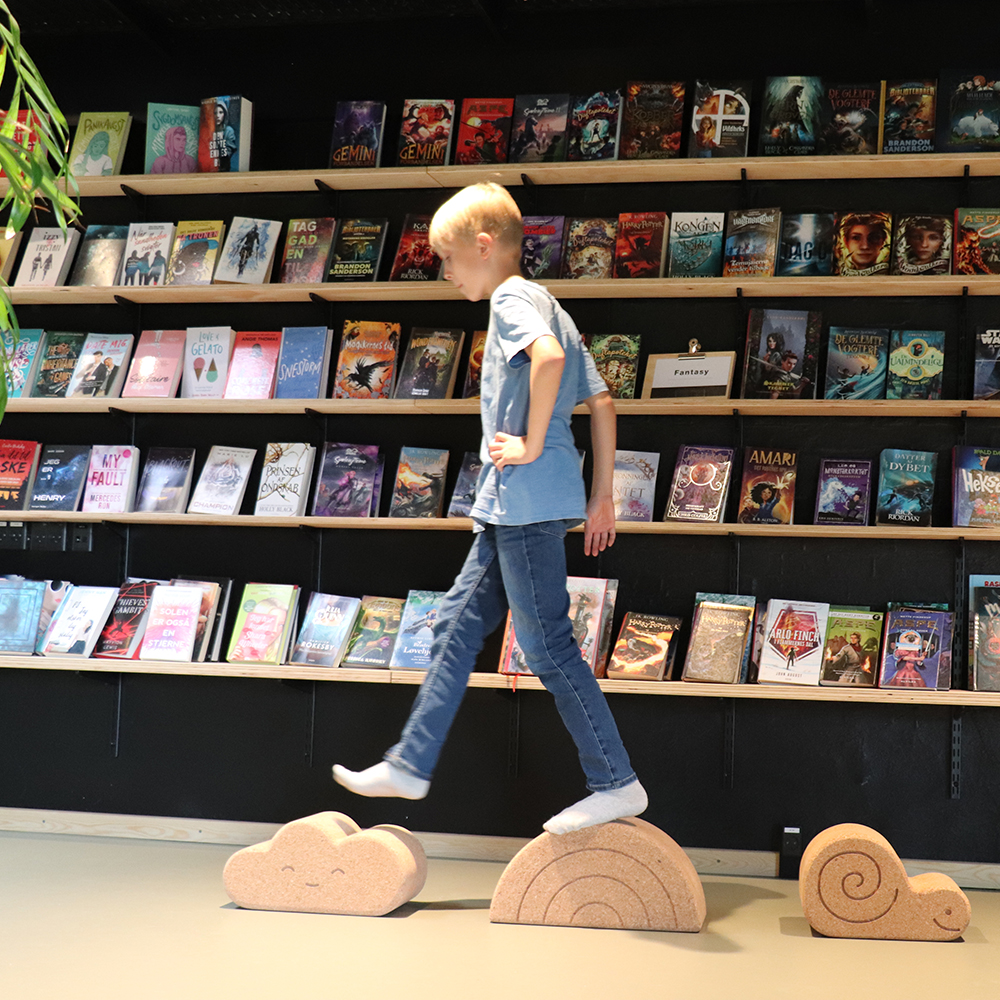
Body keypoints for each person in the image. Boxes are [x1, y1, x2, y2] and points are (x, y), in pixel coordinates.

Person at [334, 181, 647, 835]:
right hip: (512, 508)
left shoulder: (509, 299)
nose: (445, 273)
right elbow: (604, 402)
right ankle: (410, 764)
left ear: (484, 246)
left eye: (448, 259)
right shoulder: (549, 304)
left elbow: (549, 361)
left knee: (548, 647)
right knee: (454, 626)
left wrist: (528, 442)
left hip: (523, 505)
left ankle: (616, 782)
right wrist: (601, 497)